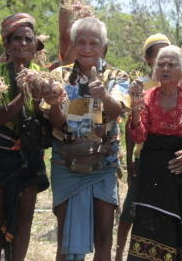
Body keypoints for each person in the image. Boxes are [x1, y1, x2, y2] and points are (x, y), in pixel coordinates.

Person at [40, 16, 130, 261]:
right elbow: (56, 122)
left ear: (103, 46)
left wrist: (104, 95)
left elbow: (118, 111)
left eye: (94, 43)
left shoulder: (116, 76)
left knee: (103, 236)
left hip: (103, 164)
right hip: (66, 162)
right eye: (81, 42)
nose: (87, 48)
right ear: (73, 45)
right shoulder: (58, 76)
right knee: (65, 239)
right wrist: (53, 104)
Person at [0, 13, 50, 261]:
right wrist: (22, 95)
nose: (23, 43)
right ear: (7, 45)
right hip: (0, 152)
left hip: (30, 154)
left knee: (26, 215)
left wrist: (40, 96)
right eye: (16, 38)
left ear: (35, 45)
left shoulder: (43, 75)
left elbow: (46, 115)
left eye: (29, 39)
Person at [127, 45, 182, 261]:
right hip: (154, 177)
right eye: (161, 64)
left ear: (181, 71)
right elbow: (139, 137)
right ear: (154, 69)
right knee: (153, 229)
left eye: (171, 65)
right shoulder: (146, 98)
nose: (165, 68)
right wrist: (135, 110)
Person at [115, 33, 170, 261]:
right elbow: (131, 124)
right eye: (156, 54)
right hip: (143, 157)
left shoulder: (177, 83)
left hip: (168, 158)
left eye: (166, 54)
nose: (161, 60)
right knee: (131, 207)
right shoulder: (140, 85)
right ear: (148, 58)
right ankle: (119, 251)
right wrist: (129, 160)